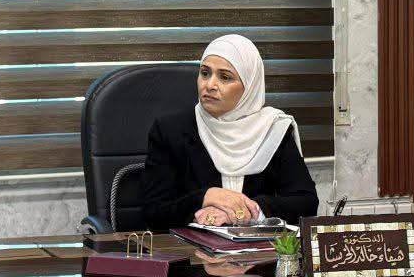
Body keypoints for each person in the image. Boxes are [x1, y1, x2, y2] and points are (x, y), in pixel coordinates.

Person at [129, 34, 319, 232]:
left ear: (249, 86)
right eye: (205, 73)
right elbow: (154, 213)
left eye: (225, 77)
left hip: (259, 248)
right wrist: (206, 197)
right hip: (191, 248)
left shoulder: (273, 130)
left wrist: (247, 211)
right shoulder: (170, 130)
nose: (210, 85)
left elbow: (306, 203)